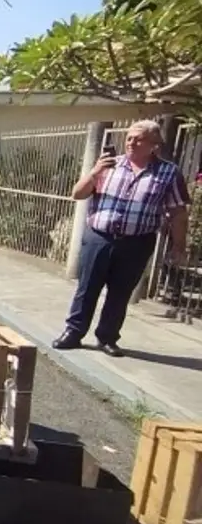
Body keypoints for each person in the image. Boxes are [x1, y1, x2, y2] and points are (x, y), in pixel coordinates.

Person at [54, 120, 190, 358]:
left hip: (137, 243)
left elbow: (178, 212)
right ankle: (73, 333)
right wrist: (95, 172)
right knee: (87, 288)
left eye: (138, 139)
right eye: (129, 138)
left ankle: (107, 338)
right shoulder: (109, 166)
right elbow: (78, 194)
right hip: (99, 237)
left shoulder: (169, 173)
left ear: (154, 144)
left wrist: (179, 246)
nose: (131, 143)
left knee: (120, 293)